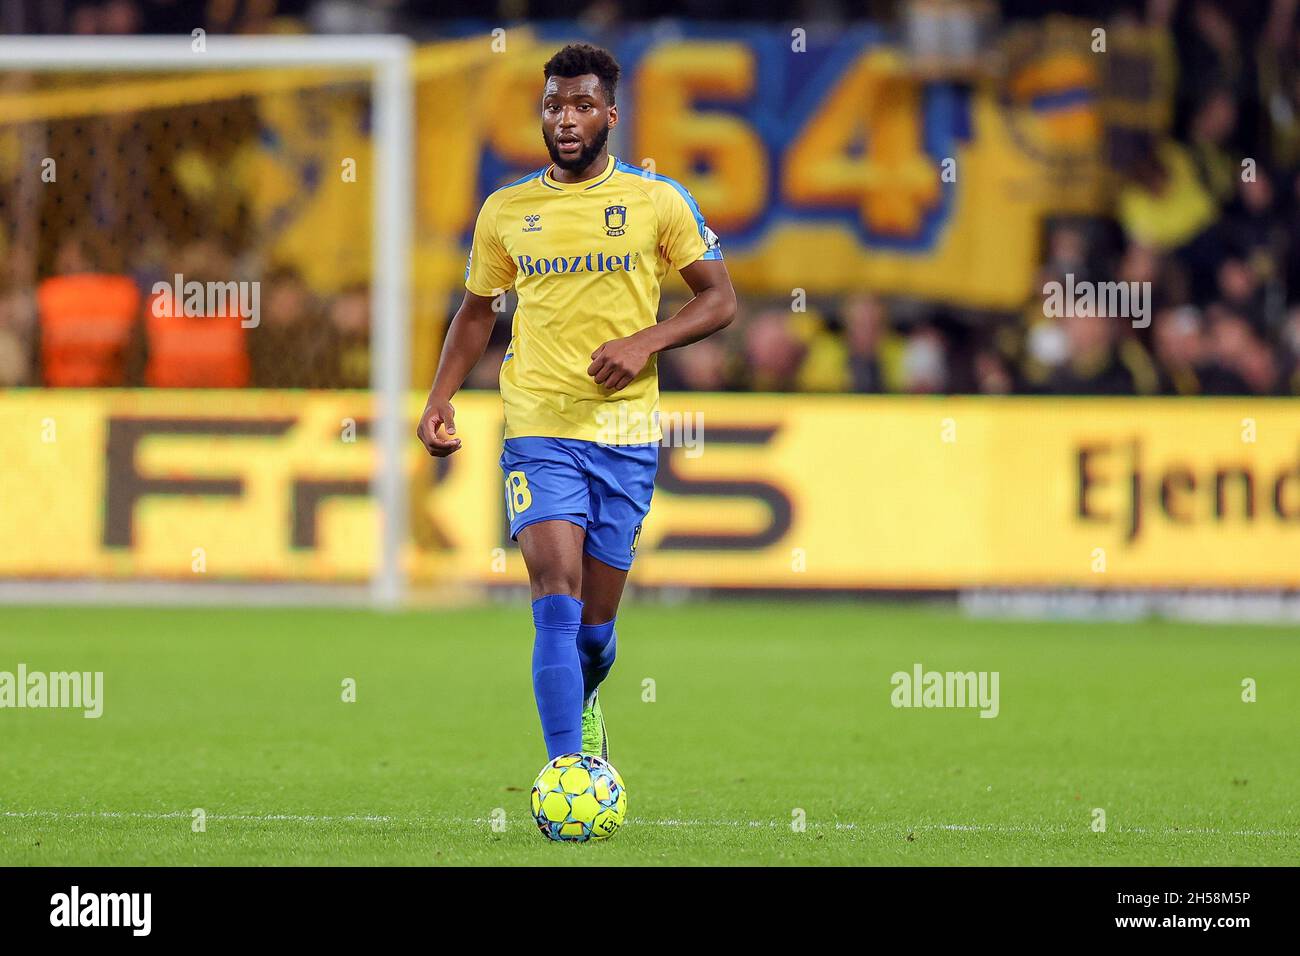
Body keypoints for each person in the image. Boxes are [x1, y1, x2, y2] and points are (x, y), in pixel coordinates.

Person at [415, 43, 736, 762]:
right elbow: (476, 312)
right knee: (552, 592)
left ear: (610, 115)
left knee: (594, 630)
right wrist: (441, 395)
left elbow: (719, 300)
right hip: (537, 425)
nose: (566, 119)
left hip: (624, 432)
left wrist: (645, 343)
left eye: (582, 105)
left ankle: (587, 698)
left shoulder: (657, 200)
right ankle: (566, 768)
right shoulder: (506, 210)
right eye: (554, 106)